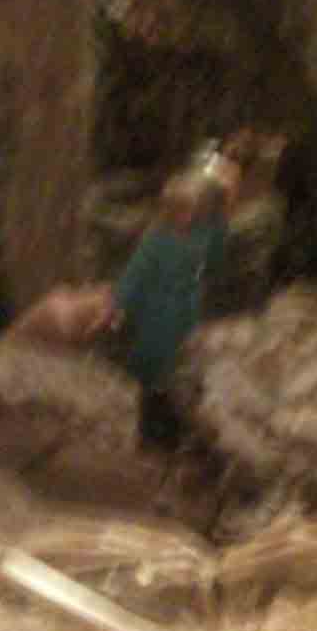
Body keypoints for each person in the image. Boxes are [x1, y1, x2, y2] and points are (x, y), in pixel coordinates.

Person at [113, 152, 240, 450]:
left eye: (189, 210)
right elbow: (135, 274)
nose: (185, 216)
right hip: (156, 314)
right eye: (179, 210)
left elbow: (215, 252)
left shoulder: (198, 237)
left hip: (185, 312)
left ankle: (173, 429)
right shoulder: (155, 241)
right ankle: (148, 430)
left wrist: (223, 211)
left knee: (181, 371)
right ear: (168, 210)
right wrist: (119, 305)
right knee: (152, 373)